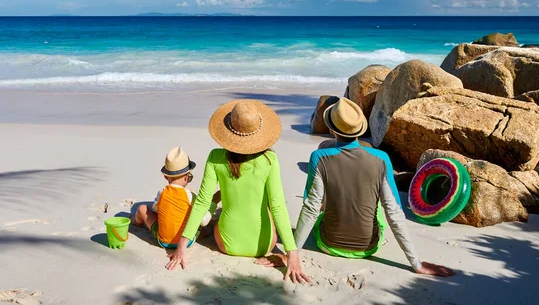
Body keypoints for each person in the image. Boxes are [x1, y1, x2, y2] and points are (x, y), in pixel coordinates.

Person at [293, 97, 454, 277]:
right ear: (360, 129)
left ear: (331, 129)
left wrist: (292, 255)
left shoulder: (319, 157)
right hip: (368, 247)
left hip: (328, 245)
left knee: (324, 204)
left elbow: (311, 207)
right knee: (378, 209)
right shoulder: (381, 158)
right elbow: (393, 212)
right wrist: (416, 263)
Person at [166, 99, 309, 284]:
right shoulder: (269, 159)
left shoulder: (215, 157)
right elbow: (278, 206)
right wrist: (292, 255)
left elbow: (202, 201)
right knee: (269, 207)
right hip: (264, 245)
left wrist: (181, 246)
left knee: (218, 214)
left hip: (226, 245)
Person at [133, 146, 217, 249]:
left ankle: (138, 222)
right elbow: (204, 221)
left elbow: (156, 209)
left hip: (163, 241)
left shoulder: (161, 192)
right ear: (186, 176)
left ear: (165, 176)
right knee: (196, 216)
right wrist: (213, 204)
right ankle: (203, 233)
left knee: (142, 208)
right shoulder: (190, 195)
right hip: (188, 241)